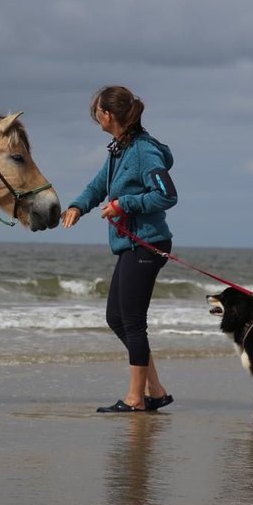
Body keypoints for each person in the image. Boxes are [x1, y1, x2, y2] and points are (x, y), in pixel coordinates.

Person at [62, 86, 178, 413]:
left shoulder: (142, 151)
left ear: (108, 115)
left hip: (146, 243)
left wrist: (123, 204)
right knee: (117, 318)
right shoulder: (119, 150)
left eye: (96, 112)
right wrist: (77, 206)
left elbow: (166, 195)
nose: (94, 117)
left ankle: (135, 398)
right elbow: (99, 184)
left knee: (132, 322)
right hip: (129, 244)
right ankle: (155, 390)